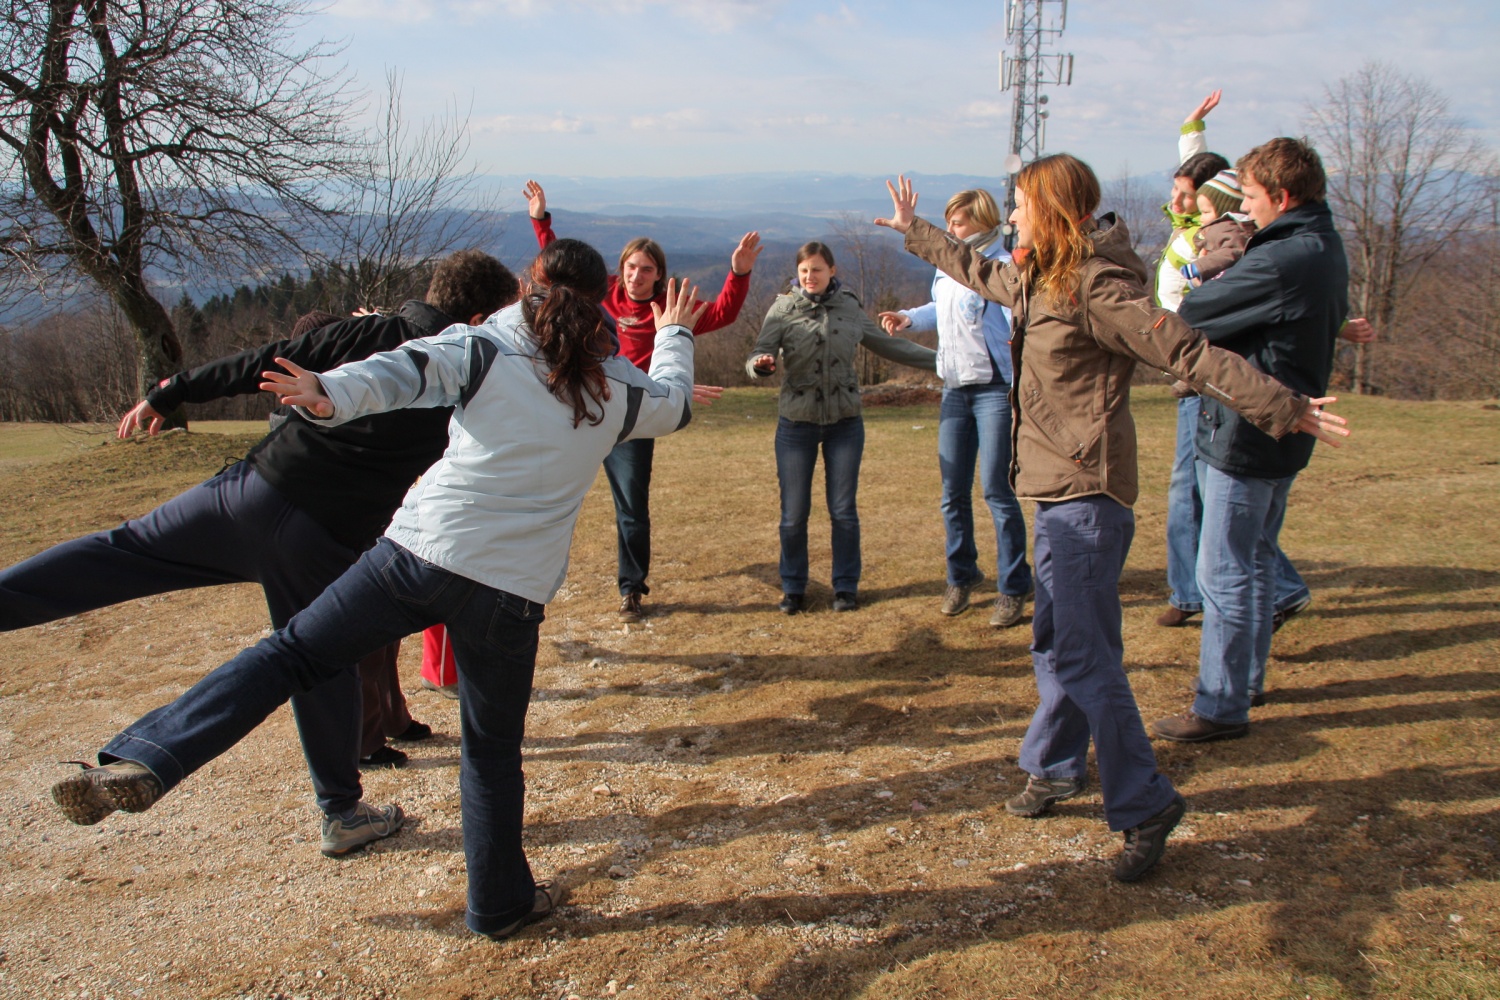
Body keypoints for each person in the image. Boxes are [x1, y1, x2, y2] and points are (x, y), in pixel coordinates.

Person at [46, 240, 706, 941]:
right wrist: (673, 334)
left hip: (418, 557)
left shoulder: (485, 345)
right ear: (602, 299)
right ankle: (500, 905)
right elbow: (675, 406)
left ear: (528, 285)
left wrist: (329, 392)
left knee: (291, 655)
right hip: (510, 595)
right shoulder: (616, 388)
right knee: (490, 750)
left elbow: (406, 369)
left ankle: (150, 757)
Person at [876, 157, 1351, 881]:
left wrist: (1281, 405)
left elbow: (1184, 349)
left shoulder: (1096, 286)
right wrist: (917, 232)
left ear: (1053, 211)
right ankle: (1055, 764)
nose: (1013, 215)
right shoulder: (1040, 276)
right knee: (1055, 639)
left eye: (1022, 204)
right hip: (1054, 490)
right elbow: (979, 272)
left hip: (1086, 498)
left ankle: (1144, 801)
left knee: (1084, 655)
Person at [16, 251, 517, 856]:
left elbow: (263, 362)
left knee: (117, 552)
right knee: (318, 663)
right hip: (322, 539)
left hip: (247, 495)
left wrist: (171, 392)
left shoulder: (367, 332)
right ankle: (341, 812)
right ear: (479, 317)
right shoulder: (467, 374)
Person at [1152, 138, 1353, 743]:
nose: (1245, 209)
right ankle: (1245, 681)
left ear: (1282, 197)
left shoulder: (1281, 259)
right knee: (1257, 558)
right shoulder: (1320, 244)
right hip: (1280, 429)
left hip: (1246, 431)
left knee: (1225, 570)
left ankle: (1220, 704)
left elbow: (1194, 313)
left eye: (1252, 197)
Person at [524, 179, 760, 622]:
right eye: (631, 267)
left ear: (658, 274)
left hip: (630, 420)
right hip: (580, 410)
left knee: (632, 509)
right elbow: (559, 269)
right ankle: (525, 579)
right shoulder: (601, 293)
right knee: (548, 494)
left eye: (647, 269)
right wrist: (541, 220)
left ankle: (631, 589)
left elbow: (723, 313)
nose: (637, 276)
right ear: (621, 269)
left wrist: (739, 273)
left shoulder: (670, 308)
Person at [746, 241, 937, 614]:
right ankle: (793, 588)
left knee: (843, 510)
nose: (810, 276)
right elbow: (756, 354)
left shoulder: (849, 307)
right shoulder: (782, 309)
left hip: (845, 424)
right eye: (804, 270)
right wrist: (760, 365)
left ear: (832, 271)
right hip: (796, 424)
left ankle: (846, 587)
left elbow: (888, 346)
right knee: (793, 514)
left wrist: (944, 360)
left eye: (817, 269)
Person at [877, 190, 1033, 627]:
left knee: (997, 491)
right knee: (952, 493)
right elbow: (940, 307)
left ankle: (1014, 586)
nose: (950, 230)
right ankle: (961, 576)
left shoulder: (1001, 267)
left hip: (995, 391)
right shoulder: (950, 266)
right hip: (955, 391)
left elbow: (1019, 325)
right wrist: (909, 318)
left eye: (958, 223)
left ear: (982, 222)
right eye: (948, 222)